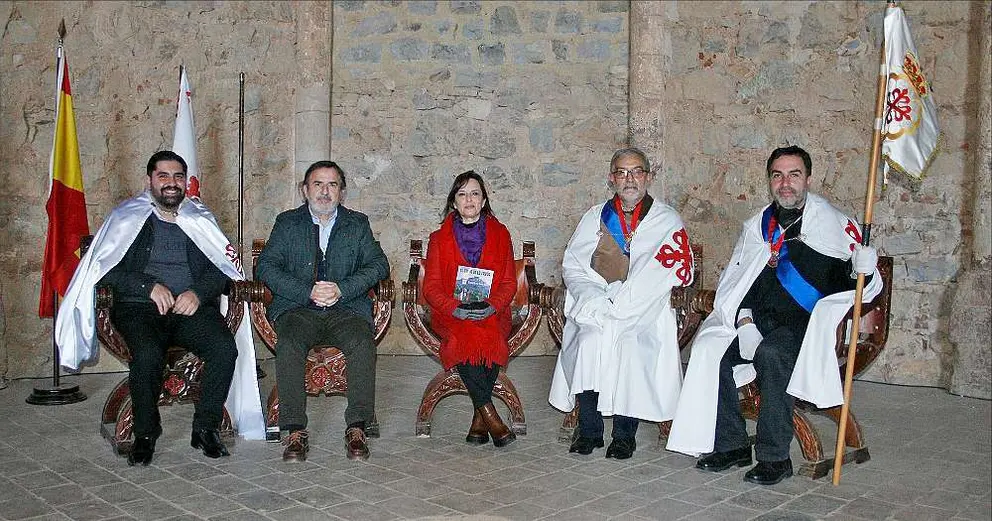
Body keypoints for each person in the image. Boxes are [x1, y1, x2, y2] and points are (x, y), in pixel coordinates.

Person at [667, 145, 882, 485]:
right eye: (778, 176)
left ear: (808, 179)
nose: (786, 184)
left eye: (794, 175)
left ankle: (774, 457)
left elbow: (852, 287)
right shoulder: (758, 227)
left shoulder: (834, 225)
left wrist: (864, 270)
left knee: (772, 355)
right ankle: (733, 445)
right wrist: (745, 321)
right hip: (758, 320)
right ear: (769, 181)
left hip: (804, 325)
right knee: (713, 352)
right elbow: (737, 284)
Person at [56, 150, 265, 466]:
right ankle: (145, 434)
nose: (171, 183)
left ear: (185, 183)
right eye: (163, 176)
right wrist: (147, 286)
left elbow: (222, 267)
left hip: (191, 309)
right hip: (140, 309)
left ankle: (205, 428)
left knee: (224, 349)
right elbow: (103, 267)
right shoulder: (126, 218)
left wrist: (197, 292)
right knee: (148, 353)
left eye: (178, 176)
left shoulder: (200, 218)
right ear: (149, 180)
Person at [549, 147, 695, 460]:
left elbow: (674, 271)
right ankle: (589, 431)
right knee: (589, 342)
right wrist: (594, 296)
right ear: (611, 178)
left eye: (636, 171)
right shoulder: (596, 216)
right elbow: (574, 264)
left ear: (648, 176)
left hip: (644, 311)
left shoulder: (666, 220)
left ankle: (624, 435)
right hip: (598, 305)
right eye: (622, 172)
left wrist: (626, 301)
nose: (629, 179)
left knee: (630, 347)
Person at [256, 160, 389, 462]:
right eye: (318, 184)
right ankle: (293, 430)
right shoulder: (287, 223)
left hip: (346, 309)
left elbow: (379, 264)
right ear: (305, 190)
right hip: (299, 309)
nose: (325, 192)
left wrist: (343, 288)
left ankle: (357, 426)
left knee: (362, 343)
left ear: (342, 192)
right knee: (288, 343)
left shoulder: (357, 224)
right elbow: (266, 266)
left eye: (332, 185)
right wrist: (307, 291)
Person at [421, 171, 520, 447]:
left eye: (475, 193)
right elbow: (431, 287)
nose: (469, 199)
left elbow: (510, 282)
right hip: (451, 312)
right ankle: (491, 417)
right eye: (462, 194)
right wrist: (455, 308)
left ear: (484, 199)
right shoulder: (438, 239)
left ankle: (479, 421)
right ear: (454, 202)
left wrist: (492, 306)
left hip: (491, 311)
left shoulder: (501, 234)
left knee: (487, 333)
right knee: (466, 335)